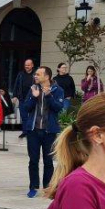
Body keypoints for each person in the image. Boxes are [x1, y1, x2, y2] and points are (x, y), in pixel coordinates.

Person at [21, 66, 65, 198]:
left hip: (49, 131)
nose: (35, 76)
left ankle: (47, 187)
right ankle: (33, 187)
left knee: (48, 161)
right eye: (35, 74)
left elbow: (58, 108)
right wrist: (34, 97)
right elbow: (26, 108)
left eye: (38, 74)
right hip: (33, 131)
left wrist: (48, 96)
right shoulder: (33, 89)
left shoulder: (58, 90)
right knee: (33, 160)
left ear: (47, 77)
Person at [11, 59, 36, 137]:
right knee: (24, 116)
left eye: (28, 65)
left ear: (32, 65)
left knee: (32, 115)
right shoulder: (20, 74)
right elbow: (16, 85)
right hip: (22, 99)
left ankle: (31, 132)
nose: (26, 66)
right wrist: (14, 96)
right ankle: (25, 132)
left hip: (32, 99)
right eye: (25, 65)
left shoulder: (35, 75)